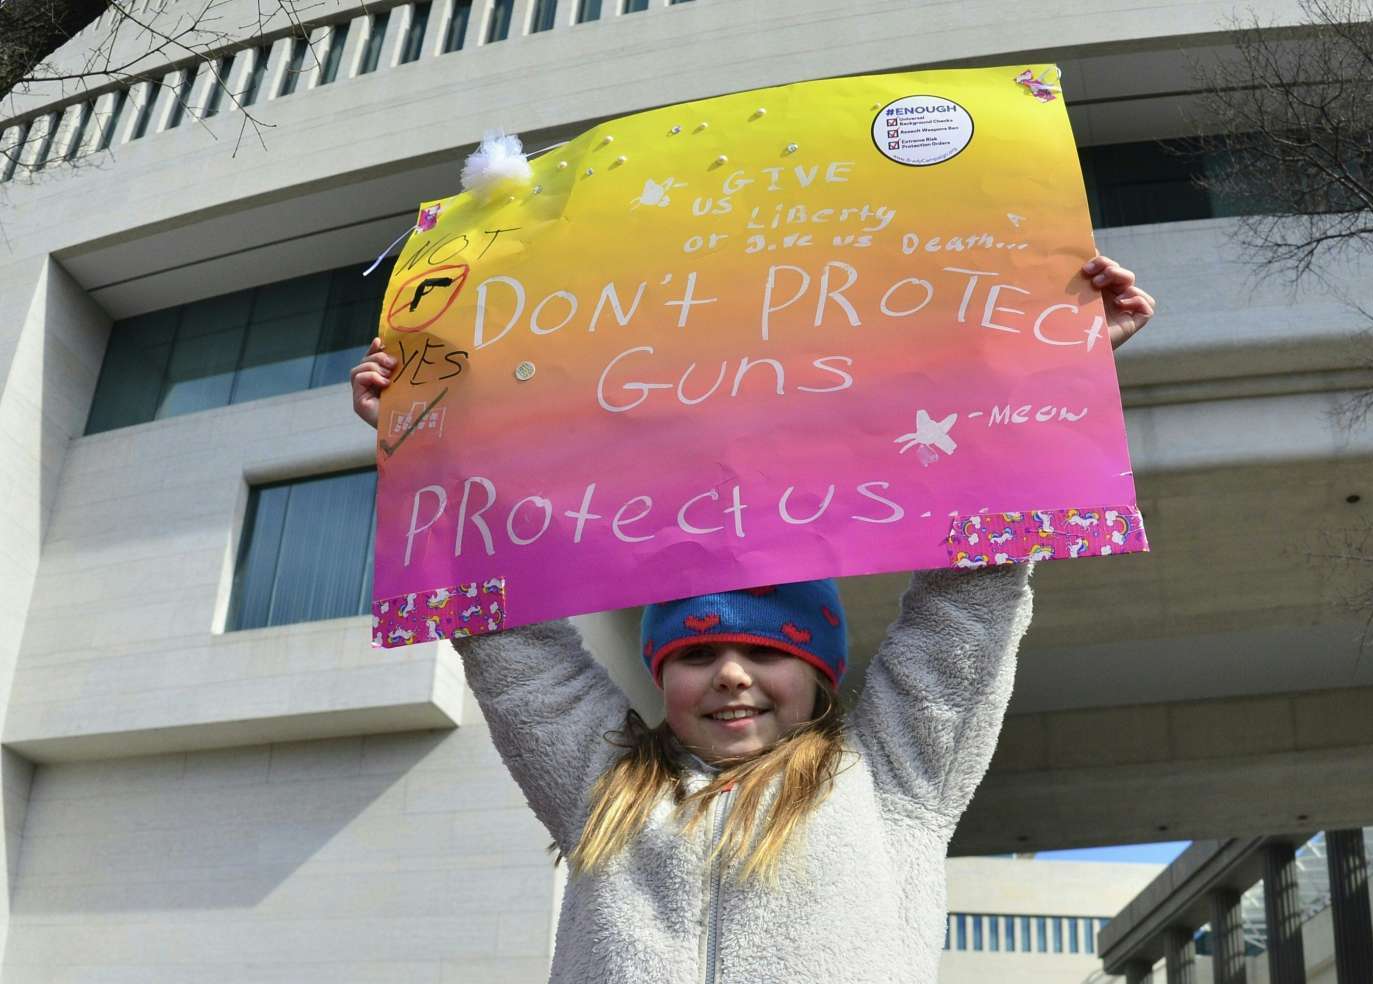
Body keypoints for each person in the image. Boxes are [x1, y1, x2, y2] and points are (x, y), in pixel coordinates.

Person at [351, 256, 1155, 984]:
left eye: (766, 651)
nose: (731, 674)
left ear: (818, 671)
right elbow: (506, 641)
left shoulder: (890, 780)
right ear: (660, 673)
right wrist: (423, 438)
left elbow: (968, 606)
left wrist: (1057, 374)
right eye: (698, 652)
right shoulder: (605, 789)